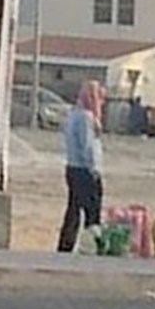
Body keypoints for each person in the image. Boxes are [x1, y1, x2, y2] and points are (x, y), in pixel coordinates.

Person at [57, 80, 105, 252]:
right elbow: (87, 146)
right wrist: (93, 169)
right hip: (85, 170)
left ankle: (66, 245)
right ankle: (91, 244)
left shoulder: (73, 114)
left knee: (74, 209)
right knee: (92, 211)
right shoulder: (86, 117)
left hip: (72, 167)